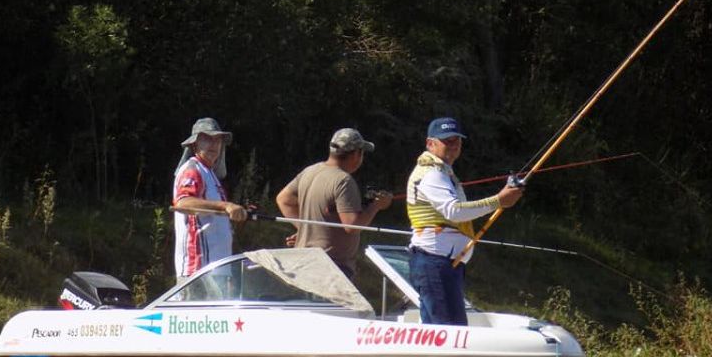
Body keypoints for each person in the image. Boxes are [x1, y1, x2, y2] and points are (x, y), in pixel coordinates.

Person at [407, 117, 523, 325]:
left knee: (448, 328)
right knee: (448, 330)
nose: (453, 146)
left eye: (457, 141)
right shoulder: (431, 173)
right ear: (430, 143)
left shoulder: (443, 173)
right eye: (447, 141)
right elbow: (454, 211)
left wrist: (501, 201)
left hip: (445, 262)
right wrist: (499, 201)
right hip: (434, 260)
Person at [276, 128, 392, 278]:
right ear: (356, 154)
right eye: (362, 152)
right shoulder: (344, 180)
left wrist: (307, 229)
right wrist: (376, 206)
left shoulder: (310, 171)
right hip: (331, 268)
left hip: (303, 261)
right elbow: (352, 225)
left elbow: (283, 200)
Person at [173, 117, 248, 282]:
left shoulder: (209, 173)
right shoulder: (192, 169)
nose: (213, 144)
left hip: (216, 269)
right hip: (199, 270)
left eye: (217, 140)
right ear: (195, 144)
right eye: (207, 139)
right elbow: (183, 203)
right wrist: (226, 206)